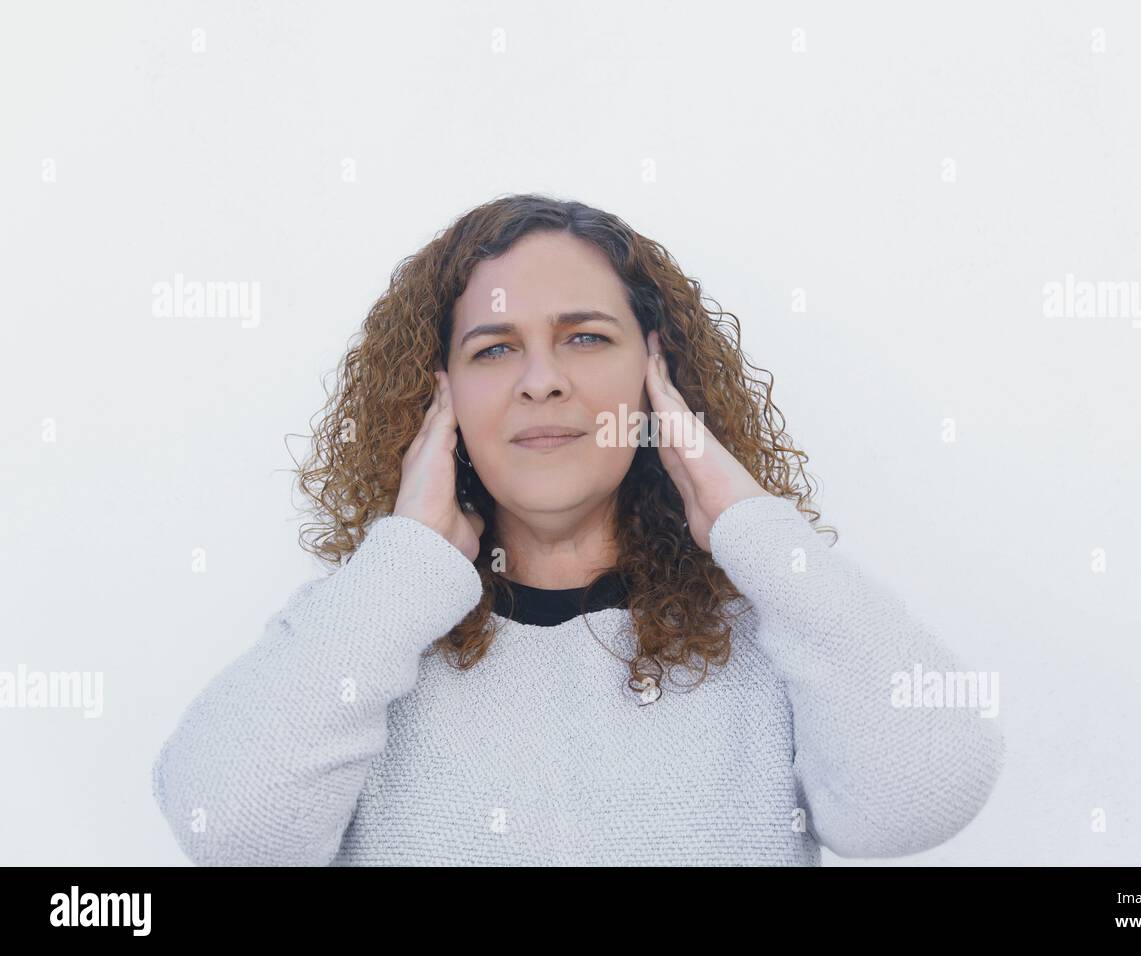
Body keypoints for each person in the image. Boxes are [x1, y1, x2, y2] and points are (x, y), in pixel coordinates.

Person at [150, 193, 1006, 865]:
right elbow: (228, 830)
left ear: (657, 370)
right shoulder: (361, 643)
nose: (542, 381)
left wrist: (751, 526)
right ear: (432, 391)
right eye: (492, 349)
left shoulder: (772, 642)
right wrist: (404, 567)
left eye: (586, 337)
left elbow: (924, 795)